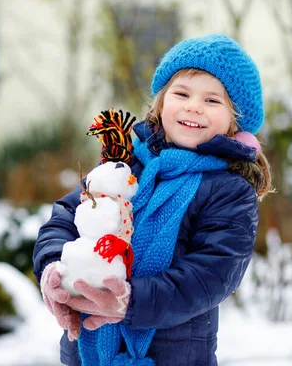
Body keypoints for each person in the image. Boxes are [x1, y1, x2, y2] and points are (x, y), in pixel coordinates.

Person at [33, 33, 273, 366]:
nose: (193, 106)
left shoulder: (229, 190)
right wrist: (51, 268)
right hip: (86, 352)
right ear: (160, 103)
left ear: (235, 122)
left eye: (212, 100)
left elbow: (211, 274)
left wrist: (131, 302)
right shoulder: (124, 164)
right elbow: (65, 217)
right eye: (182, 93)